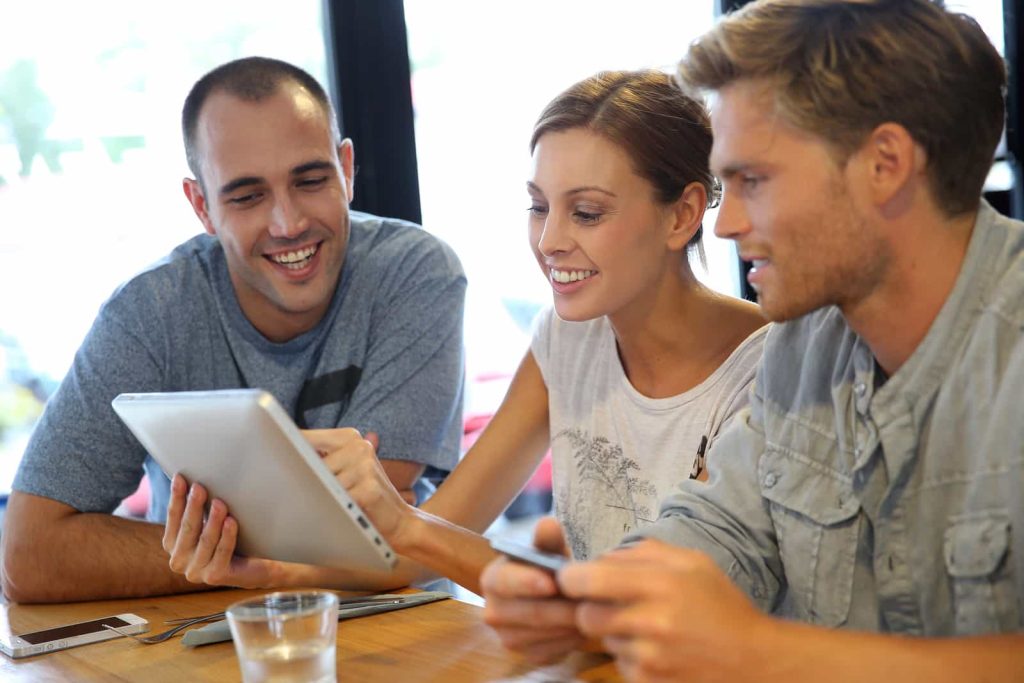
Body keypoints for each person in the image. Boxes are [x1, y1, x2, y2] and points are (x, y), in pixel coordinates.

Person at [480, 1, 1024, 680]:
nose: (726, 221)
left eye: (753, 181)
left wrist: (765, 653)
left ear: (885, 164)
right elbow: (721, 527)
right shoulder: (804, 346)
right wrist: (591, 598)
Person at [161, 69, 767, 595]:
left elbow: (649, 605)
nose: (550, 240)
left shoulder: (769, 370)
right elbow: (420, 551)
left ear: (684, 214)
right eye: (538, 206)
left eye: (585, 212)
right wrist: (263, 571)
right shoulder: (566, 340)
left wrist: (406, 525)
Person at [0, 56, 466, 603]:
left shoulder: (412, 273)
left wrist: (211, 552)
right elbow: (26, 557)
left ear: (347, 169)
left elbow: (373, 528)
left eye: (311, 180)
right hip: (205, 633)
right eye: (247, 196)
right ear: (201, 205)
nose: (288, 223)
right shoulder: (150, 313)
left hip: (395, 627)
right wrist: (244, 562)